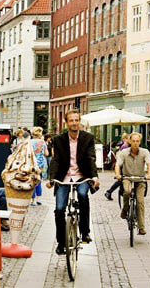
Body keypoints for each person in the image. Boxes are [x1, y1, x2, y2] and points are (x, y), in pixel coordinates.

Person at [46, 109, 99, 255]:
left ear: (79, 121)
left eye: (76, 120)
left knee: (82, 195)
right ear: (67, 123)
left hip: (82, 176)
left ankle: (85, 232)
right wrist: (52, 179)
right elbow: (55, 160)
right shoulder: (58, 140)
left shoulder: (88, 138)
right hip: (64, 177)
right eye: (71, 120)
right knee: (59, 209)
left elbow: (91, 158)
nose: (74, 123)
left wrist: (94, 177)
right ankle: (61, 243)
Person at [115, 132, 150, 235]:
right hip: (127, 178)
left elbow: (149, 164)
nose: (135, 143)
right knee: (126, 191)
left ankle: (141, 227)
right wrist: (118, 174)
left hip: (140, 179)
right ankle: (125, 209)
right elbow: (118, 165)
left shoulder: (145, 152)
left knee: (140, 201)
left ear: (140, 142)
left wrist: (149, 174)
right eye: (133, 141)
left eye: (137, 141)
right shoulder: (124, 152)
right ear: (130, 141)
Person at [104, 133, 130, 201]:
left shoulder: (125, 146)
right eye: (129, 139)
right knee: (121, 180)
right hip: (123, 165)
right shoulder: (125, 146)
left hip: (123, 165)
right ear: (125, 139)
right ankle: (109, 192)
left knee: (122, 180)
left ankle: (120, 193)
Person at [30, 127, 49, 206]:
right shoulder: (43, 142)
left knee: (32, 181)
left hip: (32, 163)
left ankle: (33, 200)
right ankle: (38, 199)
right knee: (39, 181)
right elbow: (46, 154)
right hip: (41, 164)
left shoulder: (30, 142)